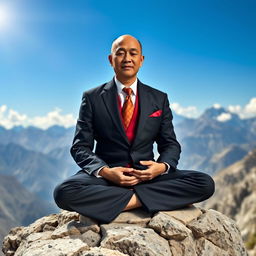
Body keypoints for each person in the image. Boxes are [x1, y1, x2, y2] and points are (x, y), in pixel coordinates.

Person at [53, 35, 215, 223]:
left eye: (133, 53)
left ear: (141, 60)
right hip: (107, 178)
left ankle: (128, 201)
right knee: (63, 192)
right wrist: (105, 171)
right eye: (120, 53)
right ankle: (148, 199)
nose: (127, 58)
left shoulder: (158, 98)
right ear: (110, 59)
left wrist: (160, 168)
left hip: (148, 176)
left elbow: (170, 144)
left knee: (204, 183)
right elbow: (80, 147)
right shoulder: (92, 97)